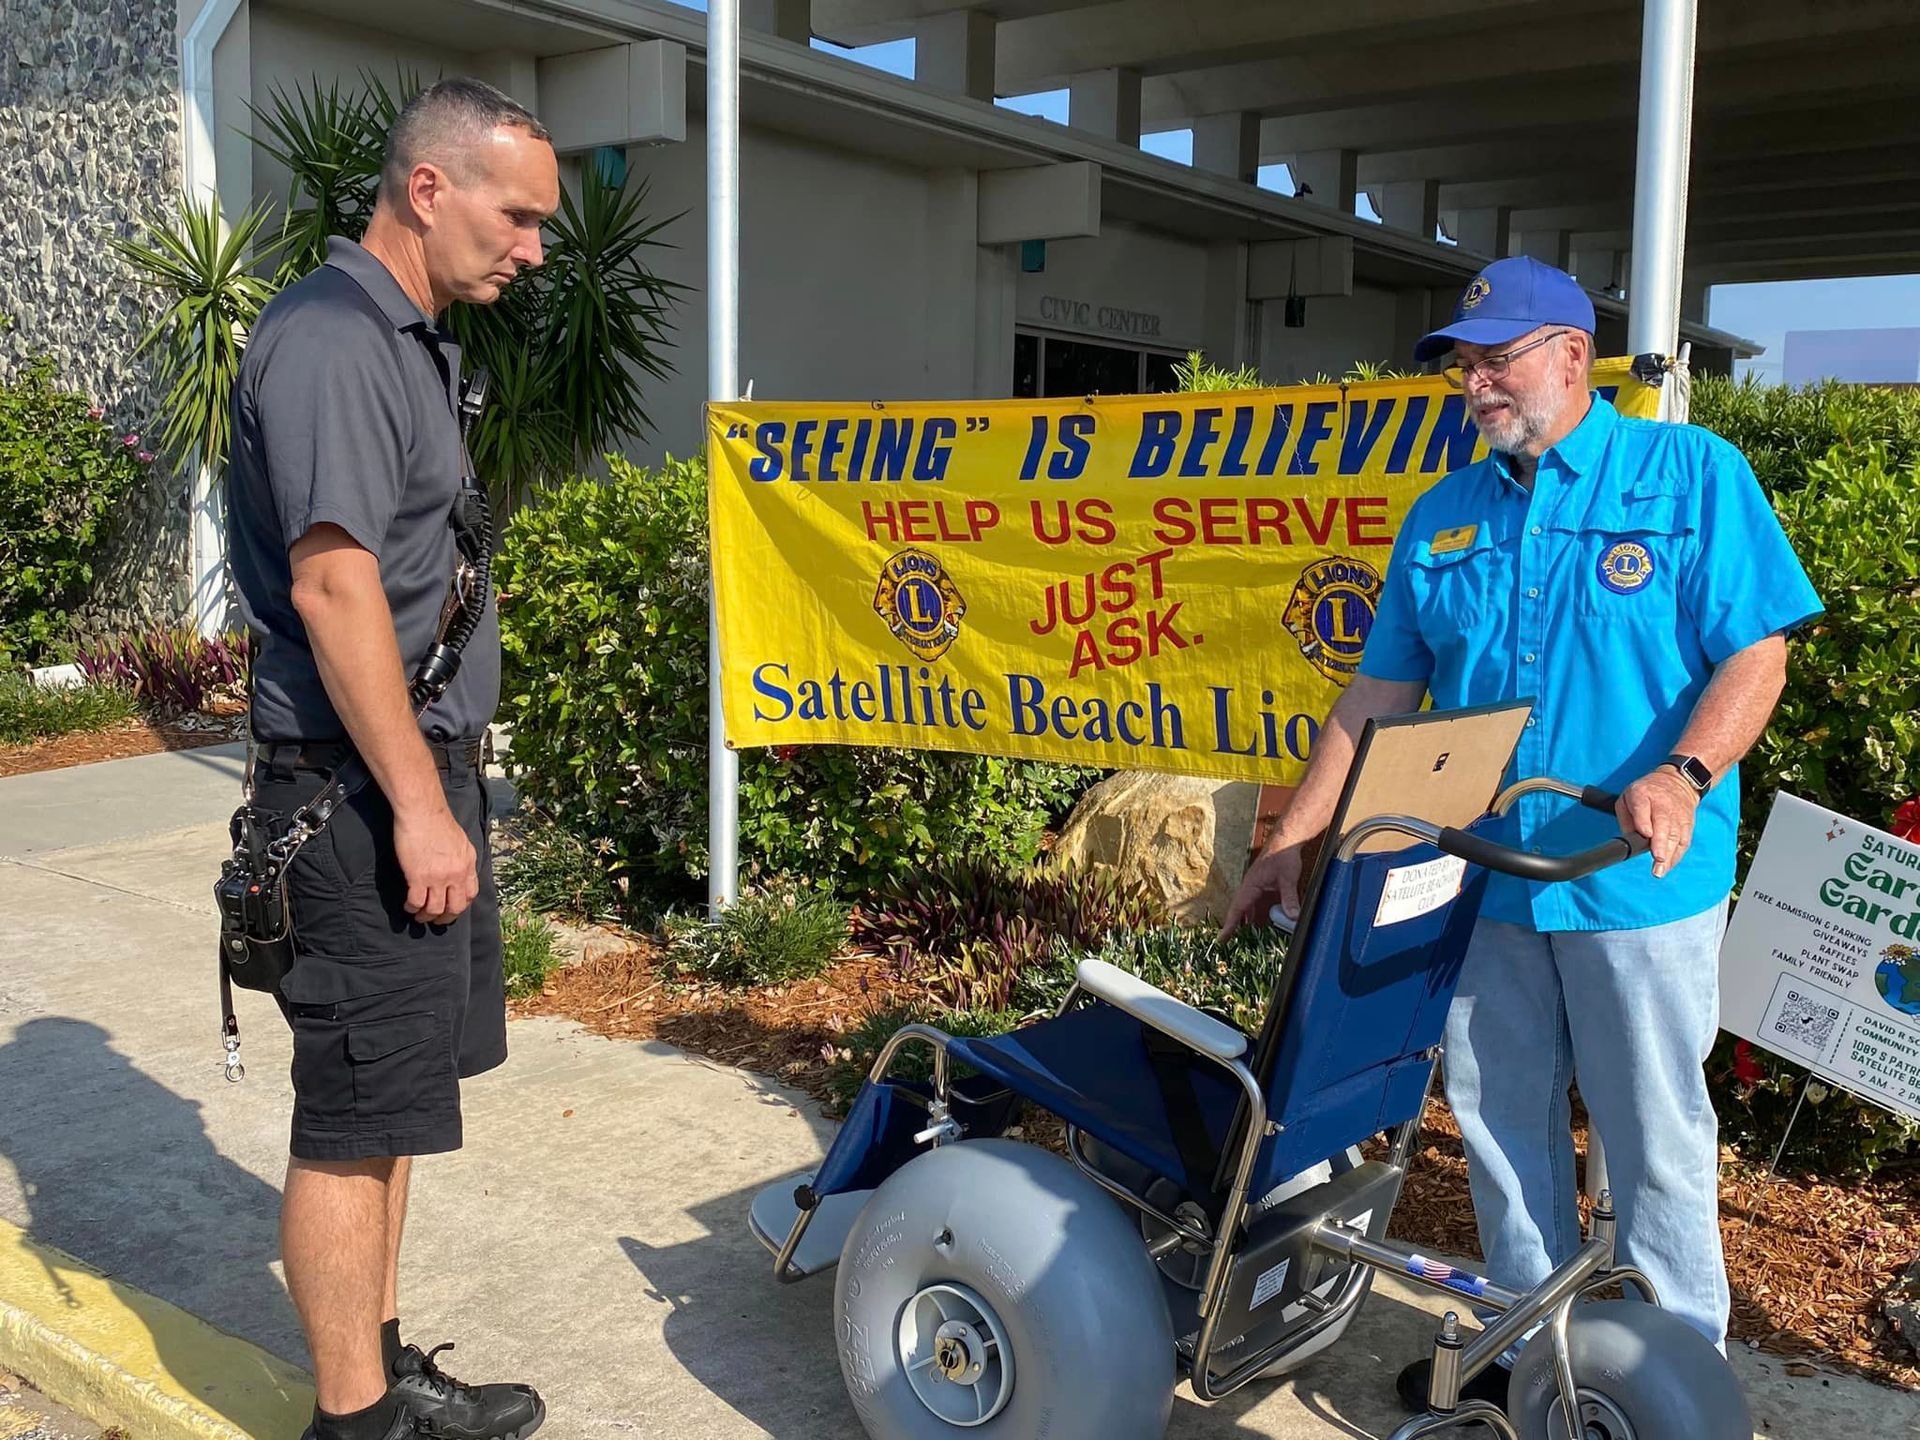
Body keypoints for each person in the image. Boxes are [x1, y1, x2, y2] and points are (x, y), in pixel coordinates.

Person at [1222, 256, 1821, 1412]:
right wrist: (1289, 838)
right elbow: (1377, 698)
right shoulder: (1444, 516)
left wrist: (1683, 772)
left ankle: (1670, 1381)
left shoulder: (1691, 476)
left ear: (1570, 358)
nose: (1475, 384)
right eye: (1463, 365)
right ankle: (1529, 1360)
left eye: (1496, 360)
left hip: (1633, 885)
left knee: (1652, 1140)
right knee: (1502, 1130)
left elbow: (1760, 651)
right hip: (1483, 885)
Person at [227, 78, 560, 1440]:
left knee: (396, 1102)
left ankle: (381, 1370)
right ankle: (353, 1424)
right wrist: (422, 811)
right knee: (352, 1114)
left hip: (411, 777)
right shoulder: (329, 340)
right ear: (431, 189)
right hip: (357, 793)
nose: (534, 246)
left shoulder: (407, 337)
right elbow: (335, 587)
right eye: (519, 212)